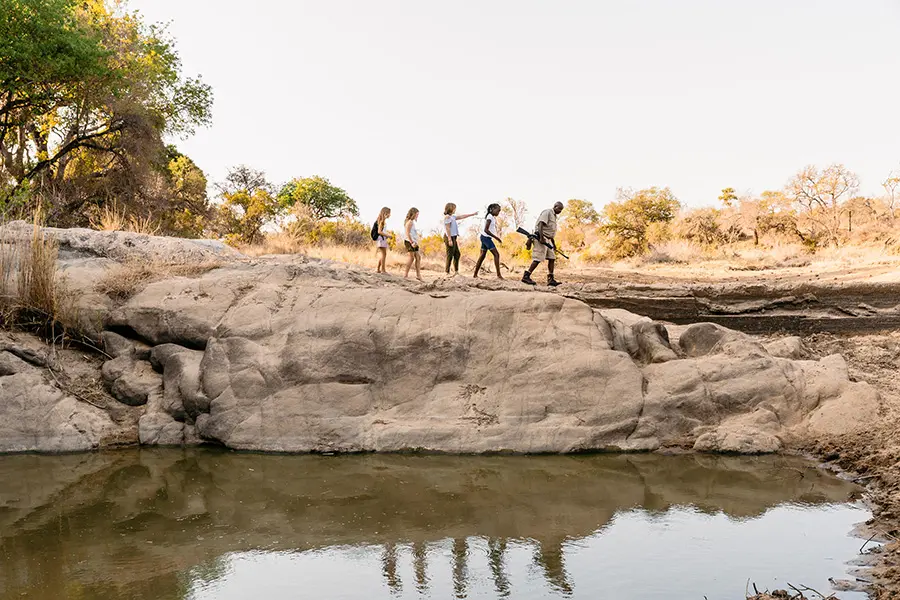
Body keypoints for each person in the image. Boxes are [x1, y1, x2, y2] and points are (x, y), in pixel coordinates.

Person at [521, 201, 564, 286]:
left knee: (552, 258)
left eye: (561, 210)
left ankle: (550, 279)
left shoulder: (554, 216)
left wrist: (553, 244)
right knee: (538, 258)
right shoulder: (547, 212)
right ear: (555, 206)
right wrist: (541, 238)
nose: (560, 211)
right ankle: (526, 276)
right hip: (541, 238)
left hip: (548, 240)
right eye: (559, 208)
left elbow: (550, 231)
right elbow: (541, 224)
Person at [443, 203, 477, 276]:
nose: (455, 209)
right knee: (450, 254)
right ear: (451, 208)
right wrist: (449, 239)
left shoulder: (452, 217)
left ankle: (456, 271)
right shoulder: (447, 217)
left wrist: (472, 214)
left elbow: (462, 216)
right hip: (449, 237)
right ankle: (446, 272)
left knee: (457, 254)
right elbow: (447, 228)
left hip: (454, 237)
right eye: (454, 208)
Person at [473, 203, 503, 279]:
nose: (498, 212)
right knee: (496, 254)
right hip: (486, 238)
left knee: (482, 256)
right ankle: (499, 275)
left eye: (499, 211)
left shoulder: (491, 217)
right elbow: (486, 230)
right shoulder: (490, 217)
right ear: (492, 209)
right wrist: (496, 238)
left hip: (484, 237)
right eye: (497, 210)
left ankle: (475, 275)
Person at [403, 207, 423, 281]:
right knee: (411, 258)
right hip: (409, 242)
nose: (417, 216)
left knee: (418, 257)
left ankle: (418, 275)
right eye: (417, 214)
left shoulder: (412, 222)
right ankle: (405, 275)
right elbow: (407, 233)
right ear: (413, 214)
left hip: (413, 242)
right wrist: (412, 242)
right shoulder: (410, 222)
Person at [374, 206, 392, 273]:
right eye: (389, 213)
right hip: (381, 239)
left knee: (383, 254)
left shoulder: (381, 221)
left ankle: (378, 269)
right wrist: (388, 235)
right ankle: (383, 270)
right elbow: (379, 231)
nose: (390, 215)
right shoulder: (382, 221)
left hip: (381, 239)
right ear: (385, 213)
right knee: (384, 254)